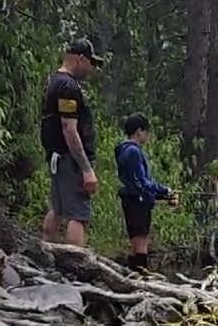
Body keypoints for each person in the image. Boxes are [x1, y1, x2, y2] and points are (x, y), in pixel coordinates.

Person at [41, 37, 103, 247]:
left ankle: (46, 254)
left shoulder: (52, 81)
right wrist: (86, 168)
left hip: (56, 158)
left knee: (57, 209)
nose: (91, 69)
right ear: (79, 58)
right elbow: (69, 129)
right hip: (70, 160)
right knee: (78, 214)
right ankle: (77, 268)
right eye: (90, 63)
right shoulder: (68, 86)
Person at [115, 112, 179, 270]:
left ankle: (134, 275)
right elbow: (141, 182)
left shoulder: (125, 150)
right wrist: (164, 190)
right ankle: (140, 278)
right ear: (139, 131)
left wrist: (159, 195)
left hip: (134, 200)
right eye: (146, 132)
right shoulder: (133, 152)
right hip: (137, 202)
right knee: (140, 240)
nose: (148, 136)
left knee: (136, 240)